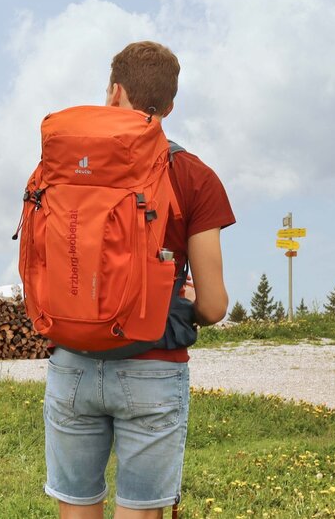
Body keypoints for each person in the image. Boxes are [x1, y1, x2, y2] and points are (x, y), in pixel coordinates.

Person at [42, 41, 235, 519]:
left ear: (113, 92)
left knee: (76, 508)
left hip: (71, 361)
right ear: (170, 106)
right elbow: (213, 306)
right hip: (152, 367)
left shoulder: (64, 165)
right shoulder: (194, 176)